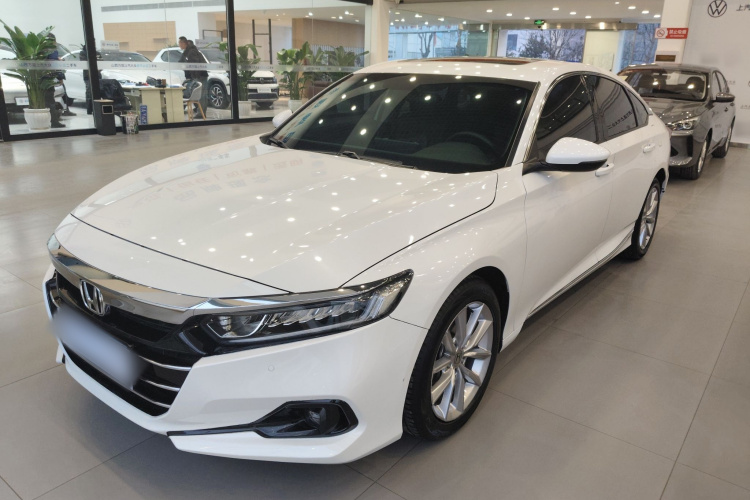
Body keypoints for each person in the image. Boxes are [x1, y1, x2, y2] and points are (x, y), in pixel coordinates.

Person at [178, 36, 209, 117]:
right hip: (197, 76)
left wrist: (195, 77)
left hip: (200, 76)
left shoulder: (191, 52)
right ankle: (200, 112)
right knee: (198, 94)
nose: (179, 45)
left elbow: (195, 65)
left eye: (179, 43)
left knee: (201, 95)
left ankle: (201, 114)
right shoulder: (188, 52)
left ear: (183, 43)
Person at [44, 33, 66, 128]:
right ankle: (54, 122)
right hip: (48, 78)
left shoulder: (39, 50)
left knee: (44, 101)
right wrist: (60, 77)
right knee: (50, 101)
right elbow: (55, 65)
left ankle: (44, 121)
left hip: (39, 79)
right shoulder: (52, 50)